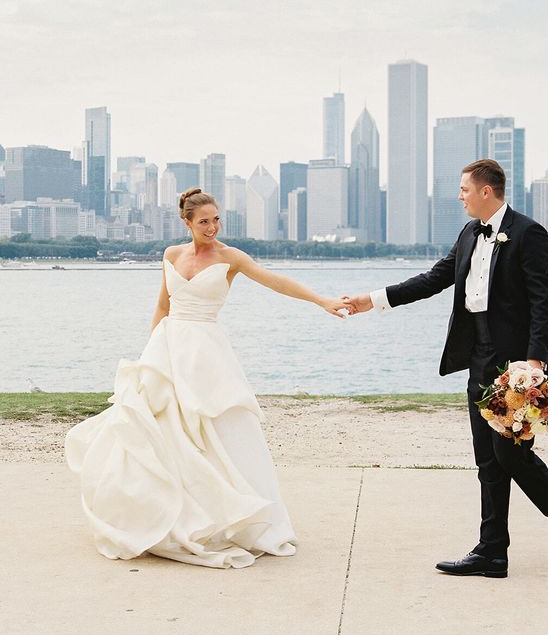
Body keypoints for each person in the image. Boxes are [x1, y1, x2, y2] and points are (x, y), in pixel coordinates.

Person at [66, 187, 346, 569]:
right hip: (168, 348)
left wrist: (321, 301)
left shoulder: (231, 258)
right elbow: (163, 305)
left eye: (216, 219)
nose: (212, 227)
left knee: (215, 430)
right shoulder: (171, 255)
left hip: (206, 352)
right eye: (203, 221)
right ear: (186, 223)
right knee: (162, 432)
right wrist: (151, 354)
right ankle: (161, 516)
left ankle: (228, 519)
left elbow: (275, 281)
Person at [343, 159, 548, 578]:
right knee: (487, 460)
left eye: (464, 190)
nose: (460, 197)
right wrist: (374, 299)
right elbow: (436, 278)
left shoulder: (529, 234)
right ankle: (492, 552)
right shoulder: (470, 233)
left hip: (515, 363)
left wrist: (534, 362)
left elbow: (544, 302)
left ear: (485, 191)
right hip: (478, 356)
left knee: (509, 453)